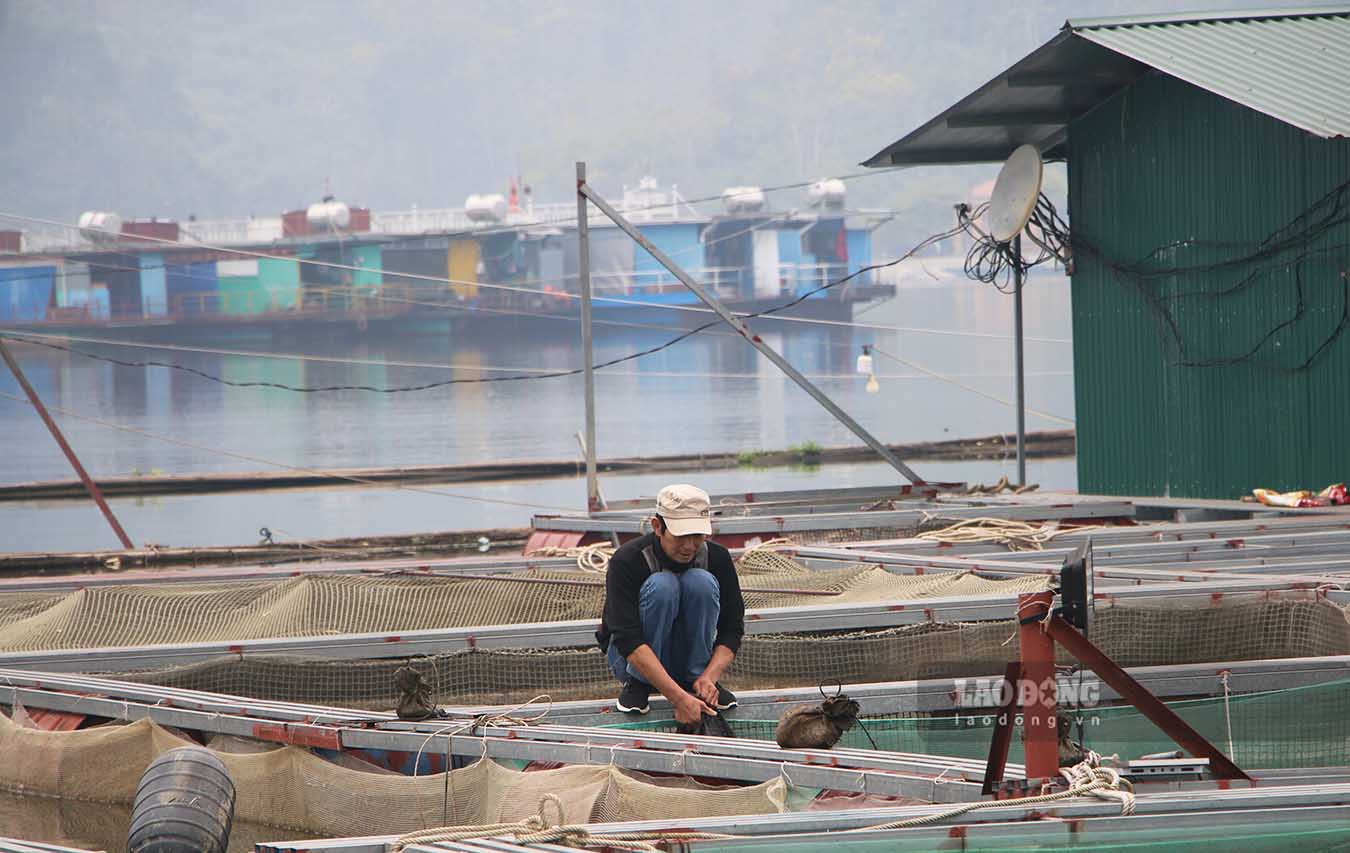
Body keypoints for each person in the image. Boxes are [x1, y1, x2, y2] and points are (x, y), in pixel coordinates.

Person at [596, 484, 745, 725]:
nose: (689, 547)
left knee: (701, 582)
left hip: (691, 659)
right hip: (631, 660)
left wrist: (710, 676)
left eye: (697, 536)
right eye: (680, 536)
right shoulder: (627, 560)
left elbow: (732, 627)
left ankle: (697, 679)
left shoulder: (717, 558)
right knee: (663, 585)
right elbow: (627, 637)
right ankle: (639, 683)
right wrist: (678, 699)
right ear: (657, 527)